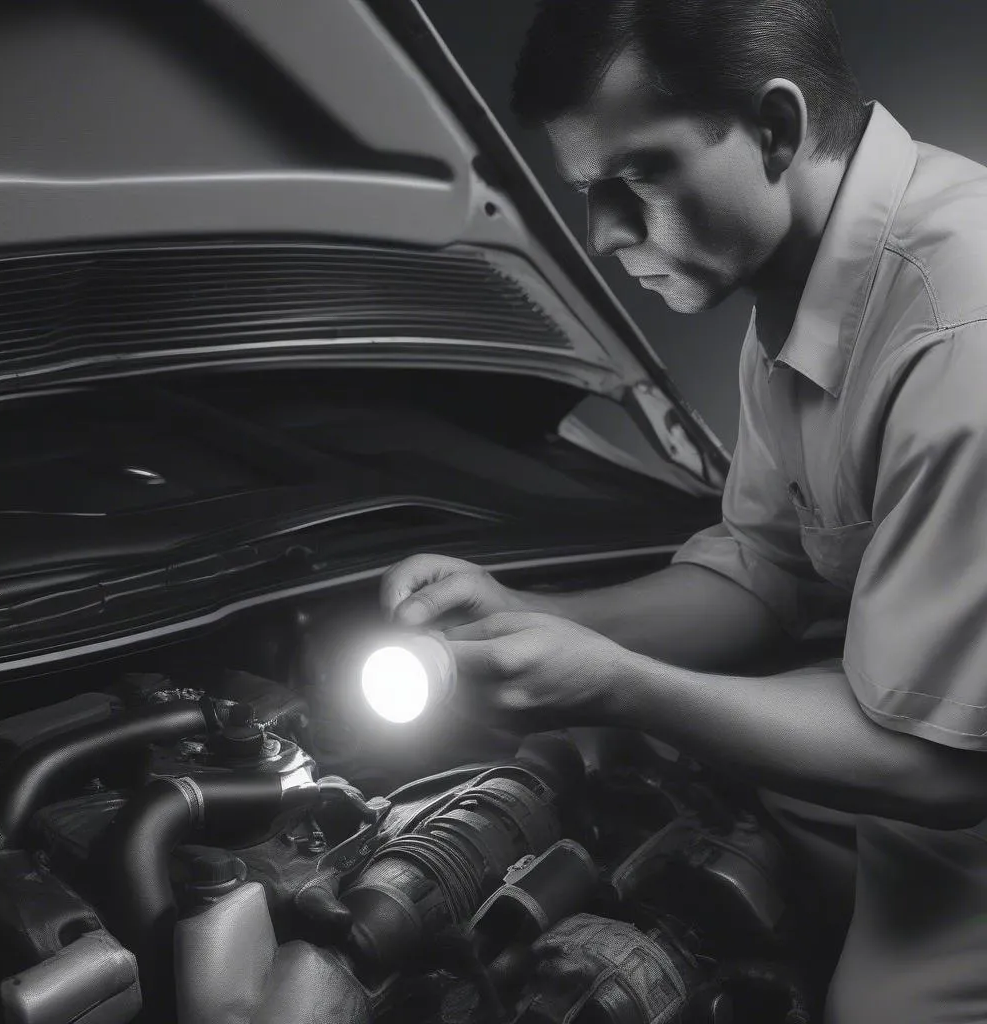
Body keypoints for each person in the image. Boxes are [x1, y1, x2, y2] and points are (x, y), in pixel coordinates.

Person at [380, 1, 987, 1021]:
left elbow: (933, 764)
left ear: (776, 130)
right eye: (588, 191)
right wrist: (529, 612)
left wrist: (620, 686)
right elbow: (760, 569)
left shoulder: (957, 330)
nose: (603, 236)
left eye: (638, 178)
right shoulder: (801, 285)